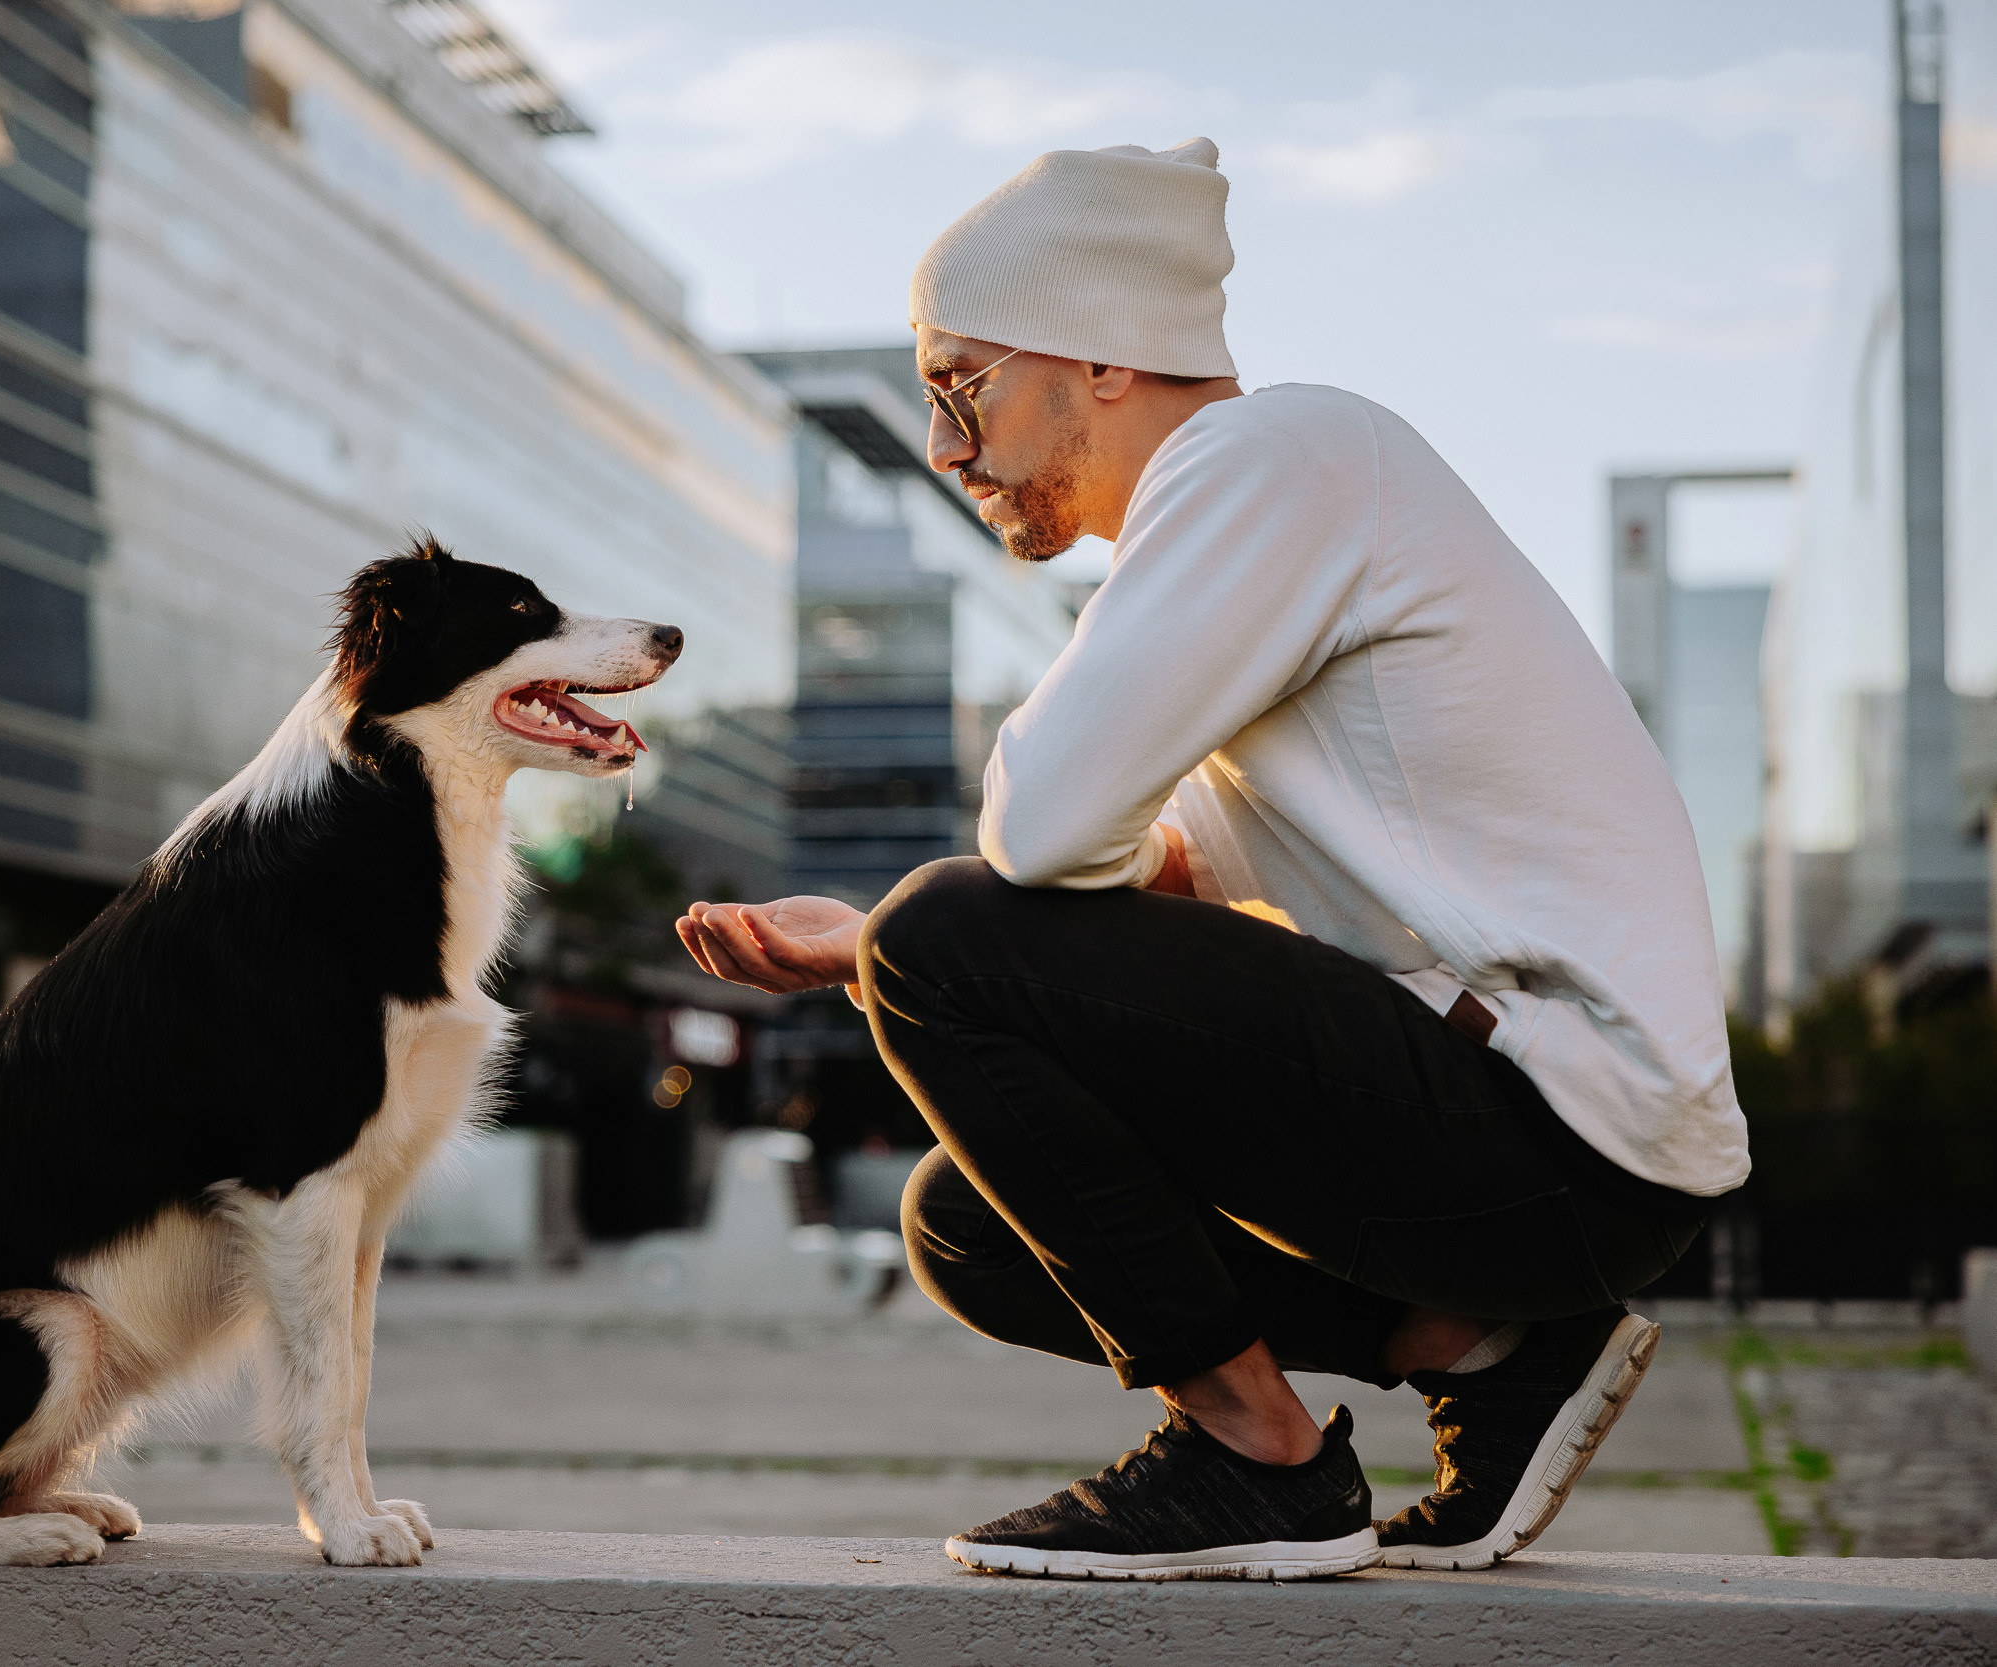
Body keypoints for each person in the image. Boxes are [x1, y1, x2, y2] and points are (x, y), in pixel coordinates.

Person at [675, 138, 1745, 1582]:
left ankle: (1260, 1461)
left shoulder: (1271, 456)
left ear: (1104, 358)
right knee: (964, 1222)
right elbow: (1172, 882)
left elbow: (1045, 833)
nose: (946, 447)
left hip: (1560, 1130)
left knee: (945, 932)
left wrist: (924, 947)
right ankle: (1487, 1354)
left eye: (963, 384)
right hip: (1544, 1165)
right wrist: (879, 953)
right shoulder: (1262, 527)